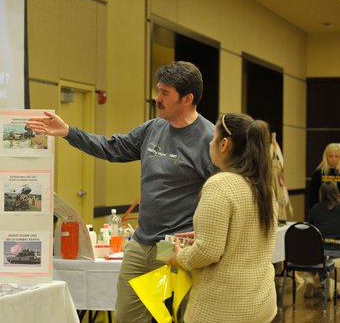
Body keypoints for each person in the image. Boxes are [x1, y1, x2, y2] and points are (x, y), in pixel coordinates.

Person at [27, 61, 217, 322]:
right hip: (143, 244)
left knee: (176, 317)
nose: (157, 98)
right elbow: (110, 147)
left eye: (165, 93)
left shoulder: (209, 139)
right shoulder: (153, 129)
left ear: (188, 98)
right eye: (158, 90)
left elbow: (221, 196)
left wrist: (205, 233)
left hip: (176, 247)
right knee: (127, 317)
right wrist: (68, 132)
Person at [168, 113, 278, 322]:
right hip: (261, 303)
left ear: (224, 144)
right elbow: (247, 238)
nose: (210, 142)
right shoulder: (265, 189)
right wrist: (203, 235)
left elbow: (208, 252)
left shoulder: (219, 185)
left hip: (224, 307)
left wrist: (179, 256)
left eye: (213, 137)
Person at [306, 181, 340, 298]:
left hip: (319, 256)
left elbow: (311, 229)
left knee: (323, 269)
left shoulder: (315, 209)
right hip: (339, 256)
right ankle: (331, 284)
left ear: (320, 193)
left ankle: (311, 280)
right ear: (337, 192)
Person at [308, 143, 340, 209]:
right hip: (323, 209)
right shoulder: (319, 173)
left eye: (336, 156)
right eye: (331, 156)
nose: (333, 159)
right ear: (326, 157)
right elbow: (312, 195)